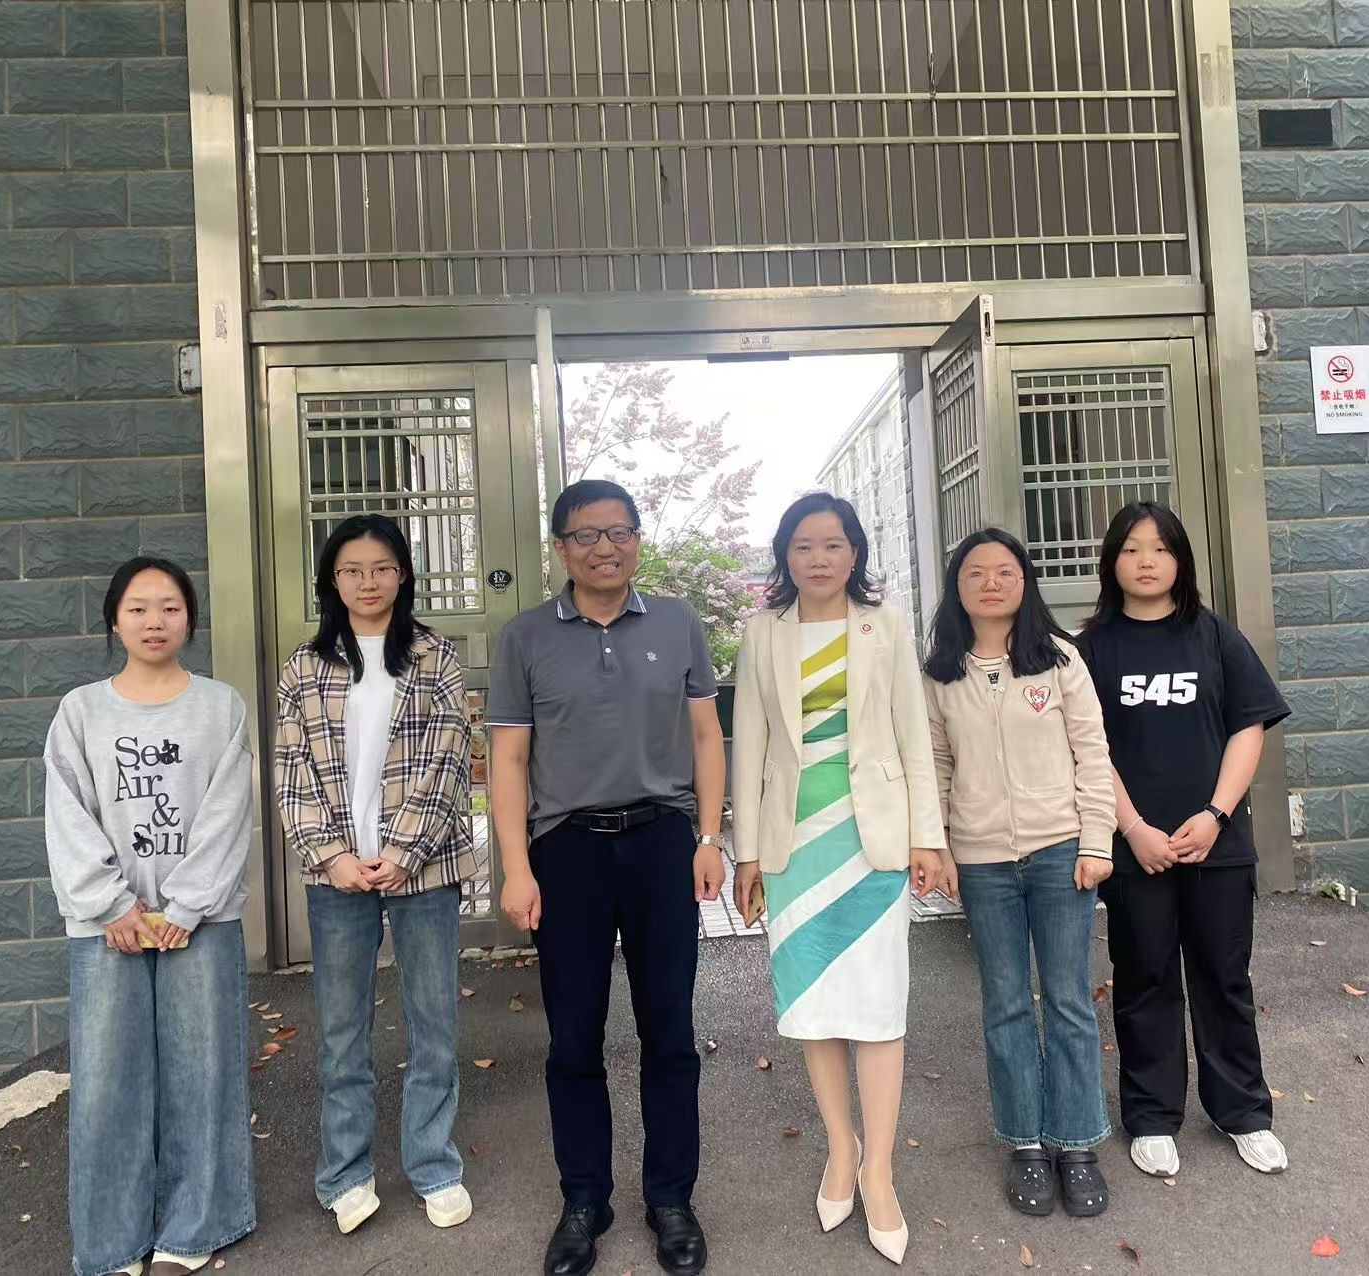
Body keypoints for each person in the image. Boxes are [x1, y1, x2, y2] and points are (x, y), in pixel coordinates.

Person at [488, 479, 727, 1276]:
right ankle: (585, 1199)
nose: (605, 548)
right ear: (560, 548)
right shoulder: (525, 637)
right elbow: (509, 760)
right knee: (572, 1037)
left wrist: (709, 837)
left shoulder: (677, 622)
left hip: (662, 842)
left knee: (670, 1031)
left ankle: (671, 1198)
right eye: (587, 535)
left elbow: (706, 737)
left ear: (638, 540)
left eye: (619, 532)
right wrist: (517, 867)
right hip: (568, 852)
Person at [730, 492, 945, 1266]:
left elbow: (913, 733)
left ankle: (879, 1171)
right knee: (816, 1006)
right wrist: (746, 853)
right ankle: (840, 1148)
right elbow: (749, 741)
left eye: (833, 544)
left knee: (878, 1008)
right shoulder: (762, 632)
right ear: (784, 556)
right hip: (794, 846)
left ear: (855, 552)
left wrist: (928, 835)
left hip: (871, 839)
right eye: (803, 546)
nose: (819, 559)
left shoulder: (885, 624)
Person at [45, 556, 255, 1276]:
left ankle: (196, 1225)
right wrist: (112, 903)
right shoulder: (80, 711)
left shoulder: (221, 707)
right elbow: (67, 814)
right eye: (137, 608)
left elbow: (229, 813)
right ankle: (111, 1240)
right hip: (107, 926)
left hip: (201, 920)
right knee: (107, 1081)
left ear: (190, 617)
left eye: (169, 606)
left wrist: (187, 906)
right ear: (115, 619)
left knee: (203, 1071)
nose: (154, 621)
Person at [1074, 501, 1292, 1181]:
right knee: (1145, 979)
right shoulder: (1090, 649)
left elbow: (1248, 727)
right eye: (1131, 548)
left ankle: (1243, 1112)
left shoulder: (1215, 637)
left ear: (1180, 560)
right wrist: (1133, 829)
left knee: (1224, 977)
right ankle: (1151, 1116)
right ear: (1111, 561)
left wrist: (1217, 814)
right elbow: (1088, 748)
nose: (1146, 561)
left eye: (1161, 549)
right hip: (1135, 847)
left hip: (1215, 844)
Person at [272, 514, 476, 1235]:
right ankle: (345, 1171)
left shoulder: (435, 657)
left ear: (403, 575)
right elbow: (290, 768)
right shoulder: (304, 666)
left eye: (382, 568)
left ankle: (433, 1164)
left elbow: (449, 760)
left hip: (423, 868)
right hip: (336, 873)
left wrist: (405, 852)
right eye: (352, 570)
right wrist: (331, 854)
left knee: (433, 1022)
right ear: (332, 580)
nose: (368, 582)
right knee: (341, 1030)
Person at [921, 528, 1116, 1219]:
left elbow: (1092, 753)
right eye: (975, 572)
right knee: (1005, 1001)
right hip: (982, 861)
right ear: (957, 587)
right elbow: (936, 766)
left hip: (1061, 849)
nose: (991, 583)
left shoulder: (1059, 658)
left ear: (1025, 582)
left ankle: (1077, 1143)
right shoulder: (939, 673)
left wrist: (1097, 841)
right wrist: (940, 847)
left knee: (1067, 999)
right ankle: (1026, 1143)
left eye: (1005, 571)